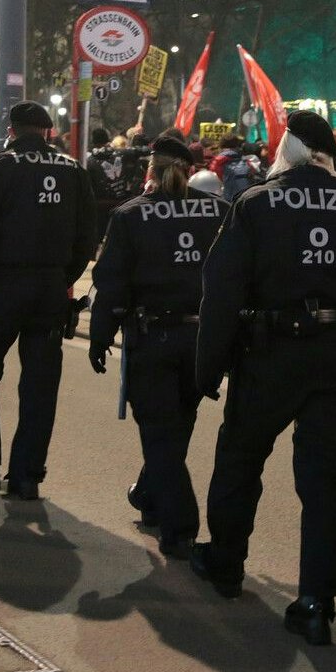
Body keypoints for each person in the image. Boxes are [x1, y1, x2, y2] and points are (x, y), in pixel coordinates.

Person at [188, 111, 336, 648]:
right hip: (334, 357)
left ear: (288, 149)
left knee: (239, 459)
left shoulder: (256, 203)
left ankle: (227, 562)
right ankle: (315, 601)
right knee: (323, 482)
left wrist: (207, 367)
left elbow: (222, 291)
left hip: (268, 355)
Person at [0, 101, 97, 498]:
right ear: (48, 131)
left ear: (11, 130)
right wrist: (63, 277)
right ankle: (27, 475)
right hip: (49, 289)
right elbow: (87, 236)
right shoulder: (74, 171)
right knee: (40, 386)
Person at [88, 133, 228, 559]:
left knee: (160, 433)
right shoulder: (220, 213)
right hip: (203, 339)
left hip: (154, 337)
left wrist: (99, 335)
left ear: (149, 171)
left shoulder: (130, 216)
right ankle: (150, 497)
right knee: (177, 426)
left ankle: (180, 526)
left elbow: (111, 285)